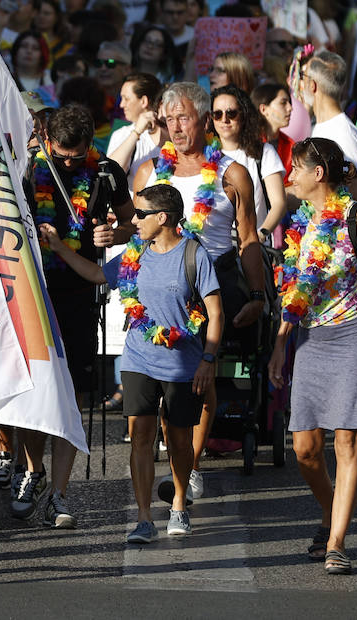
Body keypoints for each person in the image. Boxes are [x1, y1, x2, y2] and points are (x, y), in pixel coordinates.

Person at [126, 82, 269, 501]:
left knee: (200, 378)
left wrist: (257, 295)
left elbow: (248, 239)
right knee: (162, 377)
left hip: (213, 283)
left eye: (184, 117)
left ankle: (191, 464)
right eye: (169, 120)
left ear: (205, 120)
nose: (176, 127)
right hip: (160, 284)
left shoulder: (232, 173)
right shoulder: (150, 171)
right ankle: (174, 459)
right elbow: (136, 232)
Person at [266, 137, 357, 576]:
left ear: (317, 174)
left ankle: (337, 541)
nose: (290, 176)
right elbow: (294, 294)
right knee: (304, 448)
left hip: (354, 334)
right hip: (311, 339)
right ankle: (329, 507)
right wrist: (281, 343)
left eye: (295, 168)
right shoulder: (299, 225)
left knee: (347, 440)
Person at [21, 104, 132, 528]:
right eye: (60, 155)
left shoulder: (105, 172)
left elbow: (130, 223)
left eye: (75, 156)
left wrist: (113, 234)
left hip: (80, 293)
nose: (68, 163)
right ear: (47, 140)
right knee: (36, 390)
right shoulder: (30, 169)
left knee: (75, 393)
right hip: (35, 292)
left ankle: (59, 493)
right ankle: (33, 471)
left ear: (89, 145)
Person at [119, 184, 223, 544]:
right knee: (141, 437)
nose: (134, 220)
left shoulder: (195, 254)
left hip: (183, 364)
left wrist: (208, 359)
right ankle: (144, 517)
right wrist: (56, 248)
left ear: (162, 218)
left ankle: (178, 503)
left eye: (140, 214)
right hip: (138, 358)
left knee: (178, 440)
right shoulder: (134, 253)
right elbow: (98, 275)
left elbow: (215, 312)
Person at [212, 85, 286, 239]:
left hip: (255, 244)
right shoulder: (205, 154)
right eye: (217, 114)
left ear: (244, 115)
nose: (224, 120)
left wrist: (261, 234)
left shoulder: (264, 152)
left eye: (231, 113)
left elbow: (279, 203)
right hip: (215, 246)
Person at [298, 50, 357, 202]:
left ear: (313, 85)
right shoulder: (318, 124)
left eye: (303, 77)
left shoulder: (343, 132)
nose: (300, 84)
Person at [107, 73, 164, 175]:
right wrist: (136, 133)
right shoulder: (121, 134)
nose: (121, 105)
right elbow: (111, 173)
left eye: (126, 99)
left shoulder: (169, 133)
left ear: (143, 101)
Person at [252, 82, 296, 173]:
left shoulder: (290, 145)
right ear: (264, 109)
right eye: (283, 103)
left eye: (289, 102)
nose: (290, 108)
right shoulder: (248, 144)